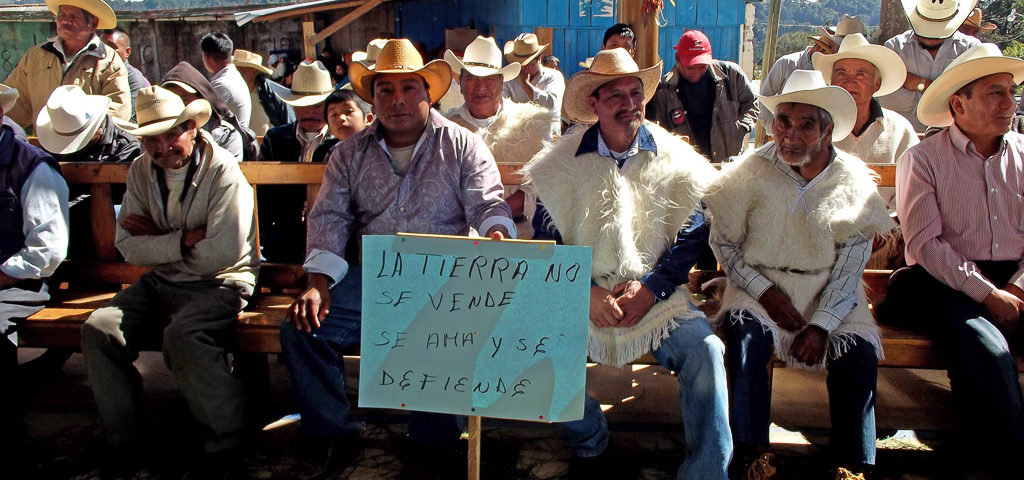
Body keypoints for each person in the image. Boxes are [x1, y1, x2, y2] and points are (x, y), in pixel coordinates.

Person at [279, 39, 514, 479]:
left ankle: (433, 442)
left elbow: (487, 203)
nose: (398, 99)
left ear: (430, 92)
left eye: (410, 87)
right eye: (385, 90)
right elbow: (329, 217)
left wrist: (496, 231)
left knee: (435, 331)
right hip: (375, 281)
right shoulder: (348, 154)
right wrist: (318, 281)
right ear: (373, 98)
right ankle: (332, 434)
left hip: (443, 281)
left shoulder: (463, 145)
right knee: (303, 328)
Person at [523, 48, 731, 479]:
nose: (628, 103)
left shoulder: (675, 158)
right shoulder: (558, 164)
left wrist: (652, 287)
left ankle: (708, 472)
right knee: (536, 347)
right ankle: (588, 440)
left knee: (707, 351)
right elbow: (549, 240)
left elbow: (691, 234)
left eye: (635, 93)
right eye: (614, 94)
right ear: (593, 104)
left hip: (656, 292)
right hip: (579, 286)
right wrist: (585, 290)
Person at [703, 70, 893, 479]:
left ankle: (853, 463)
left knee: (857, 349)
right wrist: (766, 292)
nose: (790, 135)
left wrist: (822, 325)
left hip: (828, 285)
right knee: (746, 336)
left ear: (827, 132)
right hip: (758, 283)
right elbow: (726, 245)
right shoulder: (749, 171)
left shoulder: (853, 181)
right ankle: (752, 455)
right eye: (783, 122)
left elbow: (850, 267)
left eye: (807, 124)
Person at [80, 85, 259, 476]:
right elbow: (127, 245)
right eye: (150, 139)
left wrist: (157, 239)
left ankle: (227, 437)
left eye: (171, 133)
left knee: (183, 337)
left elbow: (223, 252)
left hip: (221, 282)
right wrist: (183, 238)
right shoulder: (141, 170)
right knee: (99, 327)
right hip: (162, 281)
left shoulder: (224, 171)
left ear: (192, 127)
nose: (162, 146)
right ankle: (125, 440)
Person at [886, 43, 1024, 478]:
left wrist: (1017, 289)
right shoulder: (924, 159)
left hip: (1015, 280)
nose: (1009, 103)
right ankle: (1007, 463)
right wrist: (988, 294)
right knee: (985, 346)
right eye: (995, 93)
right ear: (958, 104)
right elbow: (925, 246)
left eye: (1011, 92)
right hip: (942, 282)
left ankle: (984, 455)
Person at [0, 83, 69, 465]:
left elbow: (47, 252)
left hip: (20, 284)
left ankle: (12, 441)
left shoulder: (32, 167)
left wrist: (2, 274)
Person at [444, 35, 557, 238]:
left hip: (521, 241)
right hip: (458, 242)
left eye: (488, 79)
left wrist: (498, 215)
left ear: (500, 81)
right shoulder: (444, 129)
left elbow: (549, 186)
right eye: (471, 78)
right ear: (460, 83)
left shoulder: (534, 125)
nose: (480, 87)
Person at [256, 60, 337, 263]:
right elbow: (262, 199)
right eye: (302, 105)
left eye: (317, 105)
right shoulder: (275, 139)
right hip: (282, 239)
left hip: (330, 240)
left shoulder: (341, 141)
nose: (309, 112)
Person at [3, 0, 130, 128]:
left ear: (93, 24)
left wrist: (86, 132)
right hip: (44, 144)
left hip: (90, 145)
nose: (65, 21)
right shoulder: (35, 56)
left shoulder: (109, 60)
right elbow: (14, 105)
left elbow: (118, 112)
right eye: (61, 16)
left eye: (73, 17)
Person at [647, 29, 758, 162]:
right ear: (678, 59)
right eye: (691, 68)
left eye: (702, 67)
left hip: (729, 163)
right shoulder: (664, 90)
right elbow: (661, 132)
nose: (697, 73)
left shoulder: (731, 75)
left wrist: (742, 127)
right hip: (690, 168)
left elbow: (752, 103)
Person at [881, 0, 981, 132]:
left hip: (956, 140)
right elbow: (889, 100)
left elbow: (974, 100)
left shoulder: (971, 48)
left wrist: (916, 83)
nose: (932, 38)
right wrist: (947, 93)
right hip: (904, 136)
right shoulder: (894, 47)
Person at [759, 15, 866, 129]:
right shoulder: (787, 63)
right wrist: (772, 128)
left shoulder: (834, 72)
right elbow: (764, 96)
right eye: (832, 52)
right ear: (820, 49)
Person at [162, 61, 251, 161]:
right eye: (171, 99)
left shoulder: (226, 136)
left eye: (184, 99)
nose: (179, 104)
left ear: (200, 98)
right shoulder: (158, 139)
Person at [503, 33, 565, 121]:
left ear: (539, 59)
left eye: (529, 65)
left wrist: (525, 84)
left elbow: (550, 104)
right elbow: (503, 106)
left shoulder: (554, 76)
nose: (524, 69)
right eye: (520, 65)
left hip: (548, 133)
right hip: (515, 134)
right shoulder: (509, 79)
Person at [233, 49, 293, 137]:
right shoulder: (232, 93)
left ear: (253, 72)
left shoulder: (271, 93)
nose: (234, 74)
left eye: (239, 71)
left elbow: (288, 123)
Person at [201, 31, 251, 129]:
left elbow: (203, 118)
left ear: (207, 58)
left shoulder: (221, 84)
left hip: (230, 141)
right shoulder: (233, 76)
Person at [101, 27, 150, 121]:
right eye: (102, 47)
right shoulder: (96, 72)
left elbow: (129, 118)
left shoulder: (134, 80)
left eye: (112, 48)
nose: (106, 52)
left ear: (127, 52)